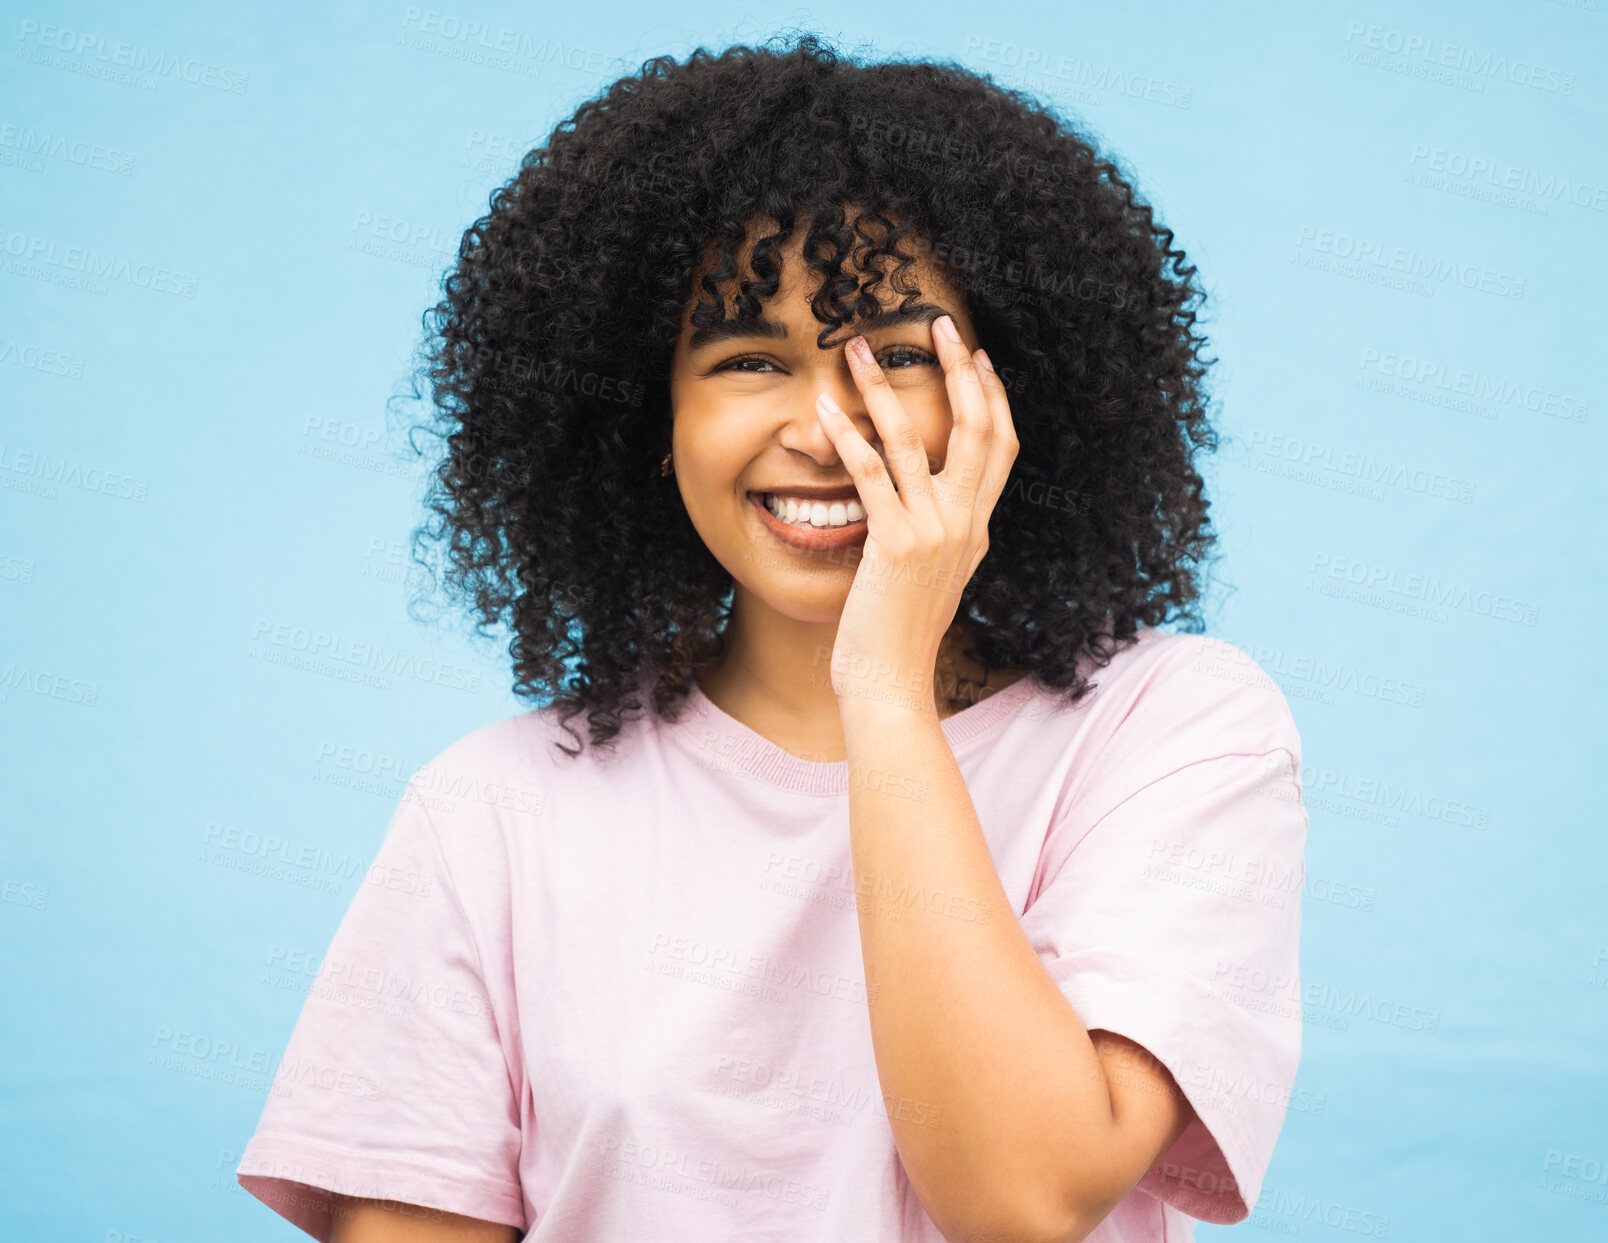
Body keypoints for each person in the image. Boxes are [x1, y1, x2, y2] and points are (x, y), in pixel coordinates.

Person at [237, 33, 1308, 1243]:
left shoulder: (1172, 733)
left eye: (898, 354)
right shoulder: (488, 814)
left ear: (1017, 396)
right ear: (655, 417)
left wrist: (887, 689)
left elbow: (1021, 1200)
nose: (824, 426)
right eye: (749, 358)